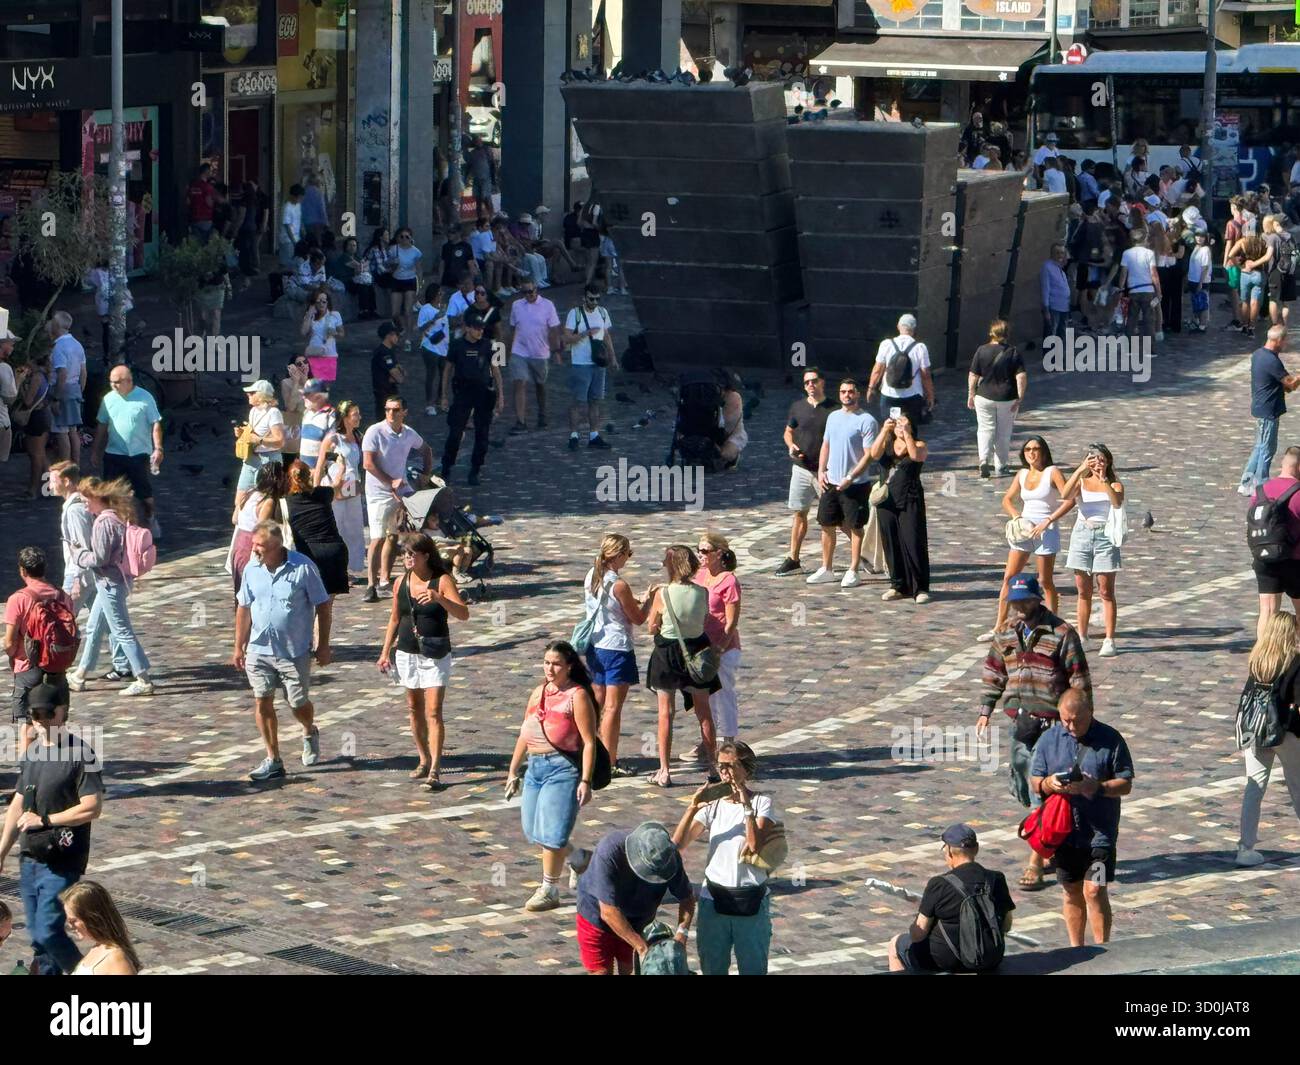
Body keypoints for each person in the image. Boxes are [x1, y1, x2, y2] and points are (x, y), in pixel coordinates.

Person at [980, 574, 1092, 891]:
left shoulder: (1061, 633)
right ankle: (1052, 842)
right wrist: (985, 709)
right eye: (1014, 602)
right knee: (1020, 779)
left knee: (1039, 789)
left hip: (1053, 724)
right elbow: (993, 671)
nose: (1019, 607)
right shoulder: (1005, 633)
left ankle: (1036, 859)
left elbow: (1079, 680)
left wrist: (1082, 723)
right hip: (1020, 721)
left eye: (1024, 601)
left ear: (1037, 599)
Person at [0, 682, 103, 975]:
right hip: (31, 857)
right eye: (35, 714)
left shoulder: (81, 754)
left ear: (63, 712)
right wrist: (2, 851)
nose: (42, 720)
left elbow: (92, 807)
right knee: (40, 937)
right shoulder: (33, 753)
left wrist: (45, 820)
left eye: (48, 713)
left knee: (47, 930)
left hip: (62, 860)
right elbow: (19, 804)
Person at [1030, 688, 1133, 946]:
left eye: (1077, 719)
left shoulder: (1111, 739)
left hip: (1100, 834)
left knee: (1095, 890)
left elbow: (1126, 783)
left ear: (1091, 712)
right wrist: (1048, 784)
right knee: (1071, 890)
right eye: (1066, 720)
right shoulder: (1049, 739)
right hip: (1064, 833)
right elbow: (1035, 781)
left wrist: (1096, 787)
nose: (1071, 725)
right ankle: (1076, 950)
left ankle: (1102, 947)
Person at [504, 640, 600, 911]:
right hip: (535, 768)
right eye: (547, 662)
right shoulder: (538, 693)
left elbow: (589, 741)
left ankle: (549, 889)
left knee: (553, 836)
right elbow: (526, 732)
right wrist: (513, 770)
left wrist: (585, 780)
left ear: (569, 666)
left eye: (556, 663)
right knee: (533, 831)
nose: (550, 668)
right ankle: (580, 858)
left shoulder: (577, 695)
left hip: (563, 770)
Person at [233, 520, 332, 781]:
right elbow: (243, 607)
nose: (255, 550)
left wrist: (323, 644)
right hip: (259, 648)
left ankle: (309, 729)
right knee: (262, 699)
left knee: (297, 702)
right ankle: (273, 759)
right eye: (254, 544)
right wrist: (238, 646)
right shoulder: (252, 568)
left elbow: (323, 605)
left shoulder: (303, 568)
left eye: (261, 546)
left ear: (278, 546)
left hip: (294, 650)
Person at [671, 741, 778, 975]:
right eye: (721, 766)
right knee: (712, 968)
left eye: (731, 766)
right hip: (714, 901)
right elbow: (676, 847)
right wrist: (692, 808)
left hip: (750, 902)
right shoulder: (713, 807)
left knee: (753, 969)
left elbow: (754, 845)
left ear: (746, 769)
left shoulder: (763, 803)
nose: (725, 772)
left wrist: (746, 806)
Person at [379, 532, 469, 790]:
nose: (407, 558)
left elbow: (464, 614)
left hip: (435, 652)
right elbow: (395, 618)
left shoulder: (442, 580)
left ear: (426, 555)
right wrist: (385, 651)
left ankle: (435, 769)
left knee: (433, 711)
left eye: (412, 554)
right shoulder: (401, 582)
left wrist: (440, 599)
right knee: (413, 708)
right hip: (407, 652)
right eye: (405, 554)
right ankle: (422, 758)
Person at [65, 478, 154, 696]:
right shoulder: (116, 516)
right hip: (115, 581)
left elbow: (99, 558)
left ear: (97, 498)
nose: (85, 505)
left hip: (109, 584)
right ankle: (80, 674)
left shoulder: (104, 523)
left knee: (122, 631)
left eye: (87, 500)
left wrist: (78, 554)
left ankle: (143, 679)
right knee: (94, 627)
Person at [887, 824, 1015, 973]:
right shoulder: (996, 878)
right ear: (977, 848)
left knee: (896, 944)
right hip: (990, 958)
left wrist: (914, 925)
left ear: (949, 851)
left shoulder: (940, 884)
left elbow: (918, 933)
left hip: (947, 960)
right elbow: (1006, 925)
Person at [573, 821, 695, 975]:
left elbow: (687, 898)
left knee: (628, 970)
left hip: (637, 922)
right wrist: (642, 948)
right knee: (601, 972)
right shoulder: (610, 851)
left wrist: (681, 935)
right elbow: (608, 912)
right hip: (596, 916)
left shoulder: (669, 858)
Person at [645, 544, 720, 787]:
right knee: (704, 713)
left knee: (665, 714)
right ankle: (712, 766)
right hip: (697, 651)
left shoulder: (662, 593)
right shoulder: (703, 592)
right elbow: (704, 619)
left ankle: (665, 771)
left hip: (667, 654)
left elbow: (651, 628)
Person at [982, 436, 1069, 640]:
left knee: (1045, 580)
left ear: (1044, 451)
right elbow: (1007, 499)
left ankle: (1052, 625)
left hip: (1045, 531)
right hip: (1024, 530)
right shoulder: (1021, 474)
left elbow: (1069, 499)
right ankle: (998, 627)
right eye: (1028, 449)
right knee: (1008, 577)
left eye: (1036, 448)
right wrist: (1016, 516)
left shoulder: (1052, 472)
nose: (1031, 452)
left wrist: (1048, 520)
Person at [580, 534, 649, 776]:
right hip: (617, 648)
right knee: (612, 709)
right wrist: (649, 601)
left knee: (595, 704)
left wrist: (633, 599)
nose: (628, 559)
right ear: (618, 555)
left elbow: (610, 604)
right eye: (627, 555)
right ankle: (608, 762)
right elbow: (638, 618)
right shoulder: (619, 585)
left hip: (595, 645)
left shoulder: (592, 575)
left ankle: (586, 752)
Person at [1236, 611, 1300, 867]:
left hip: (1256, 731)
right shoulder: (1295, 662)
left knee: (1254, 787)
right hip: (1286, 732)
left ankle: (1245, 847)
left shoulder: (1258, 659)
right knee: (1297, 787)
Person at [806, 379, 878, 588]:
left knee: (855, 526)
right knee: (826, 524)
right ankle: (826, 568)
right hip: (831, 481)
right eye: (843, 392)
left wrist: (851, 477)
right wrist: (821, 471)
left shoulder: (867, 421)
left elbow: (869, 455)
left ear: (858, 394)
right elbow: (826, 445)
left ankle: (853, 569)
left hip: (855, 485)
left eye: (851, 392)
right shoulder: (833, 416)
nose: (847, 395)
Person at [362, 396, 432, 602]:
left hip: (399, 491)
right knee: (377, 538)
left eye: (396, 409)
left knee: (394, 535)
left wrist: (426, 473)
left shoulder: (408, 433)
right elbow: (368, 463)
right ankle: (371, 584)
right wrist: (389, 481)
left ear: (404, 412)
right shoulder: (374, 431)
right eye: (388, 409)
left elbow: (426, 449)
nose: (391, 413)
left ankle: (385, 579)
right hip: (377, 492)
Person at [1062, 444, 1125, 657]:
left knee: (1106, 590)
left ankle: (1109, 639)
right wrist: (1080, 470)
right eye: (1094, 459)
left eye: (1102, 459)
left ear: (1108, 462)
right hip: (1082, 534)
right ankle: (1082, 635)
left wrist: (1104, 479)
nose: (1098, 463)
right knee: (1083, 590)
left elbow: (1116, 503)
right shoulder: (1081, 481)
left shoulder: (1114, 483)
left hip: (1106, 536)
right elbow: (1065, 494)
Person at [4, 546, 74, 733]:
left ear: (22, 570)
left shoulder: (18, 599)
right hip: (57, 668)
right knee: (56, 725)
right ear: (45, 568)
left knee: (28, 727)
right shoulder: (62, 596)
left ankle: (29, 762)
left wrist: (13, 658)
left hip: (28, 667)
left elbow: (9, 643)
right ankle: (58, 761)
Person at [777, 367, 837, 575]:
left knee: (837, 516)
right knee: (799, 513)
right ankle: (793, 558)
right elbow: (788, 431)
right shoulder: (798, 407)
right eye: (806, 382)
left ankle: (863, 554)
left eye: (814, 381)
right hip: (801, 469)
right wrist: (790, 445)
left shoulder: (834, 409)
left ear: (822, 383)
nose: (810, 385)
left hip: (826, 471)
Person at [868, 412, 931, 603]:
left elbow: (915, 456)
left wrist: (907, 434)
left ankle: (920, 587)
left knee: (913, 540)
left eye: (904, 423)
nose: (899, 426)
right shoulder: (887, 445)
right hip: (887, 500)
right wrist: (884, 431)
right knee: (891, 542)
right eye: (896, 424)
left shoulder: (919, 444)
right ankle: (898, 584)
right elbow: (873, 454)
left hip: (910, 498)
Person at [91, 365, 163, 527]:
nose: (113, 385)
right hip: (113, 453)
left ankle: (151, 518)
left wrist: (158, 448)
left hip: (138, 454)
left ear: (128, 381)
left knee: (144, 495)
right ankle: (114, 525)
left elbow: (155, 424)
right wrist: (95, 451)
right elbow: (102, 425)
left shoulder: (145, 398)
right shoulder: (108, 399)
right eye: (111, 382)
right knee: (109, 492)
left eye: (116, 382)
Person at [439, 311, 504, 487]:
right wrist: (444, 395)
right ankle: (446, 467)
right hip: (463, 394)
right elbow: (447, 370)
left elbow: (496, 370)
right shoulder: (457, 346)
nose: (480, 331)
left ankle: (475, 469)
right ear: (467, 328)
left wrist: (501, 396)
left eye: (481, 328)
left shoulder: (487, 345)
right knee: (455, 433)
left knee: (482, 435)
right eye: (476, 328)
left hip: (483, 394)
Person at [1239, 326, 1299, 497]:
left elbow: (1280, 383)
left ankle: (1246, 482)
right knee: (1267, 449)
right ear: (1278, 340)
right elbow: (1290, 384)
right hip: (1268, 410)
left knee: (1259, 447)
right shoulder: (1272, 361)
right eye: (1285, 340)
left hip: (1261, 407)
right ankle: (1261, 485)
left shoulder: (1258, 355)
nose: (1286, 344)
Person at [695, 533, 742, 744]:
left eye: (705, 551)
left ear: (719, 553)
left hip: (723, 647)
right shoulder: (700, 574)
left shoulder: (729, 581)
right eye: (698, 550)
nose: (700, 554)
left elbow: (731, 622)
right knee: (704, 699)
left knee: (724, 694)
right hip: (701, 645)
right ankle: (707, 743)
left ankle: (728, 742)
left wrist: (720, 648)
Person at [968, 320, 1027, 478]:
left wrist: (971, 394)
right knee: (1003, 432)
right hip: (1007, 397)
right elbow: (1021, 377)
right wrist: (1020, 397)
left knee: (985, 429)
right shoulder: (1013, 352)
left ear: (991, 333)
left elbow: (973, 375)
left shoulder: (981, 350)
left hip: (984, 396)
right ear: (1007, 334)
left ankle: (983, 460)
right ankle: (1001, 466)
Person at [315, 400, 366, 577]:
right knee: (336, 527)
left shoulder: (358, 437)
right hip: (335, 489)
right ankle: (334, 568)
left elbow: (359, 464)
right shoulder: (332, 439)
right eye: (355, 414)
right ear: (344, 417)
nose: (359, 417)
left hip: (353, 489)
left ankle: (349, 567)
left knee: (353, 528)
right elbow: (320, 465)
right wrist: (316, 492)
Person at [284, 460, 350, 597]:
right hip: (334, 551)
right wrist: (342, 468)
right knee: (326, 605)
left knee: (308, 602)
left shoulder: (287, 502)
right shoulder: (322, 493)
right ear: (309, 476)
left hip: (309, 554)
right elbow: (337, 486)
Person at [563, 285, 615, 451]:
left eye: (597, 299)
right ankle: (574, 436)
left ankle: (594, 435)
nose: (594, 302)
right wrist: (586, 333)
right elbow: (567, 338)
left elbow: (606, 335)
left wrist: (612, 357)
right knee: (578, 401)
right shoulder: (575, 313)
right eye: (591, 298)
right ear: (584, 298)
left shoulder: (602, 312)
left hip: (598, 363)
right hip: (581, 363)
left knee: (595, 401)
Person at [506, 281, 561, 434]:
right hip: (520, 351)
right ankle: (520, 421)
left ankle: (542, 413)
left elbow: (554, 329)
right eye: (525, 292)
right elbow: (512, 329)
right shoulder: (516, 305)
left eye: (530, 291)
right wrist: (506, 352)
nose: (528, 294)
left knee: (540, 384)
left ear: (536, 290)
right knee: (519, 383)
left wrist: (556, 351)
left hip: (540, 352)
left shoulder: (548, 305)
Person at [866, 314, 934, 428]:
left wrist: (871, 388)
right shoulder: (920, 348)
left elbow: (877, 370)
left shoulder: (886, 344)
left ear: (898, 326)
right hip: (912, 396)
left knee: (890, 428)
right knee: (910, 429)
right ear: (914, 329)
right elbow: (925, 375)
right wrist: (930, 395)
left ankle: (892, 444)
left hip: (890, 395)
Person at [230, 461, 286, 594]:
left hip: (238, 545)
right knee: (254, 593)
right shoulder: (268, 501)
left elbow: (234, 519)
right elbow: (261, 532)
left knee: (241, 593)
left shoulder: (248, 493)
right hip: (252, 547)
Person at [61, 881, 140, 975]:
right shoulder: (97, 949)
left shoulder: (115, 958)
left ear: (91, 918)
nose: (70, 926)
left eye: (73, 921)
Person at [233, 380, 285, 510]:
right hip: (251, 458)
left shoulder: (273, 413)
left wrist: (260, 440)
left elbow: (280, 441)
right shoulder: (253, 411)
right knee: (239, 500)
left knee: (266, 503)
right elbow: (253, 432)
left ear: (261, 395)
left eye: (251, 393)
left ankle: (262, 528)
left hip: (269, 460)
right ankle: (243, 527)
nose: (248, 395)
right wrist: (242, 433)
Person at [47, 312, 86, 466]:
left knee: (61, 431)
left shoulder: (58, 347)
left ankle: (65, 468)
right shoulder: (77, 344)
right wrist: (80, 391)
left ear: (57, 326)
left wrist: (56, 397)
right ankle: (75, 465)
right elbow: (83, 372)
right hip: (75, 388)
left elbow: (62, 373)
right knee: (73, 430)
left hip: (62, 389)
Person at [14, 348, 52, 500]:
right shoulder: (42, 375)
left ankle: (33, 489)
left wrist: (21, 384)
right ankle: (50, 486)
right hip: (41, 415)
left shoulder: (37, 377)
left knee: (36, 454)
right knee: (39, 454)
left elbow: (28, 401)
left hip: (36, 417)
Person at [1118, 229, 1160, 342]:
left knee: (1131, 319)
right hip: (1148, 290)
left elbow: (1123, 273)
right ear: (1145, 239)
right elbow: (1154, 274)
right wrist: (1158, 291)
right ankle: (1150, 348)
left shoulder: (1126, 253)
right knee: (1149, 321)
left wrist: (1121, 288)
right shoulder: (1149, 253)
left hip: (1133, 290)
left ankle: (1129, 346)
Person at [415, 282, 450, 415]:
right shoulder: (426, 309)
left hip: (443, 347)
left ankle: (440, 401)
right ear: (434, 295)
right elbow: (420, 328)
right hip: (430, 346)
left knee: (444, 375)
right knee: (431, 375)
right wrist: (434, 319)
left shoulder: (442, 309)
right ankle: (429, 404)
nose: (441, 296)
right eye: (440, 293)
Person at [387, 227, 423, 343]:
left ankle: (408, 336)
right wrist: (393, 263)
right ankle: (401, 328)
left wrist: (420, 285)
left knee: (408, 311)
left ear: (411, 238)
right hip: (397, 280)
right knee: (395, 313)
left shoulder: (415, 252)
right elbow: (388, 267)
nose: (404, 239)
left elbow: (419, 269)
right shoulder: (393, 250)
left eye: (407, 237)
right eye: (401, 236)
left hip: (410, 280)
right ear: (398, 238)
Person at [301, 288, 344, 366]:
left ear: (328, 302)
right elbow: (304, 333)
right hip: (314, 353)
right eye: (318, 301)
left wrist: (335, 333)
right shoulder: (310, 316)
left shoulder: (335, 315)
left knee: (325, 377)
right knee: (314, 378)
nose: (321, 304)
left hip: (329, 354)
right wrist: (310, 313)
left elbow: (342, 334)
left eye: (324, 301)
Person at [371, 320, 406, 417]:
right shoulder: (383, 353)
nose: (397, 337)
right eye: (395, 334)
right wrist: (397, 375)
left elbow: (402, 372)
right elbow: (399, 378)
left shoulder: (389, 351)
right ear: (388, 336)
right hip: (384, 395)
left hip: (390, 392)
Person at [279, 357, 308, 468]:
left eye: (305, 362)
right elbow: (290, 407)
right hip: (295, 429)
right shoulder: (286, 383)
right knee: (291, 465)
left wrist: (305, 381)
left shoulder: (312, 382)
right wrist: (296, 382)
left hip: (308, 427)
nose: (303, 365)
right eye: (299, 364)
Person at [1040, 243, 1070, 345]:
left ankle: (1058, 357)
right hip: (1053, 308)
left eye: (1062, 253)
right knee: (1051, 335)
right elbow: (1045, 289)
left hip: (1064, 307)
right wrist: (1046, 310)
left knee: (1061, 334)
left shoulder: (1059, 267)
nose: (1060, 255)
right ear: (1052, 253)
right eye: (1057, 252)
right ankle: (1049, 358)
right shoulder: (1047, 267)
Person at [1186, 224, 1212, 333]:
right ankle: (1196, 321)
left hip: (1201, 280)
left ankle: (1203, 325)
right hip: (1192, 279)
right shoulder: (1196, 248)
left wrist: (1201, 282)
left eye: (1201, 236)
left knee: (1203, 303)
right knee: (1195, 302)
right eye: (1197, 236)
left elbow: (1205, 267)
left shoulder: (1205, 249)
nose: (1199, 238)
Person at [0, 318, 18, 464]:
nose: (13, 347)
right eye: (11, 343)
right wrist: (18, 380)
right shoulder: (4, 368)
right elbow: (10, 399)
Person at [187, 162, 217, 243]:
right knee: (205, 246)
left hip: (194, 219)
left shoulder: (192, 185)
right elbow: (209, 203)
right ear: (206, 172)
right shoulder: (207, 187)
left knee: (196, 246)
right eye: (210, 171)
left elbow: (188, 202)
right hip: (205, 221)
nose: (211, 173)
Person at [279, 184, 304, 269]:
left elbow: (299, 220)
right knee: (286, 263)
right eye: (299, 198)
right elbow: (287, 226)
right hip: (287, 239)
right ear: (293, 196)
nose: (300, 200)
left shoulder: (298, 205)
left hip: (296, 238)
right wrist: (294, 241)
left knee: (294, 262)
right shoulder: (287, 207)